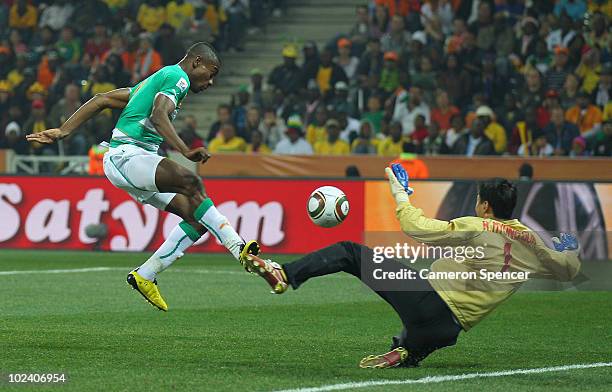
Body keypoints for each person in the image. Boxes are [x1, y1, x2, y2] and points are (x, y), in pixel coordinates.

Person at [243, 167, 581, 368]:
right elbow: (566, 269)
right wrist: (571, 249)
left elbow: (416, 227)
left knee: (349, 252)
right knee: (413, 338)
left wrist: (401, 193)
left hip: (429, 305)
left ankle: (283, 274)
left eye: (479, 200)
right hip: (447, 333)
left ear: (486, 205)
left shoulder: (479, 226)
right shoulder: (532, 242)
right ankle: (406, 350)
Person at [26, 42, 260, 312]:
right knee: (192, 182)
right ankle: (238, 247)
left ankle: (145, 275)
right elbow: (159, 115)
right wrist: (185, 150)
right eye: (212, 72)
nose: (211, 81)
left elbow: (101, 99)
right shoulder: (178, 77)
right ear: (196, 62)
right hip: (129, 155)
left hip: (126, 161)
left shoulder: (150, 84)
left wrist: (64, 130)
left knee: (197, 218)